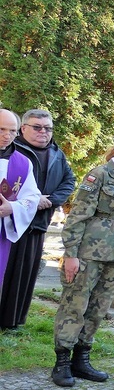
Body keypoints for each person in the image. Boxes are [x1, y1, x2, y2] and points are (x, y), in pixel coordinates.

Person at [50, 126, 114, 387]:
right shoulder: (100, 175)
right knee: (75, 304)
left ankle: (82, 358)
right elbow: (78, 216)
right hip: (89, 252)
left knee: (99, 307)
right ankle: (61, 361)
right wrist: (71, 254)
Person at [1, 109, 76, 329]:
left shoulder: (56, 154)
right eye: (37, 127)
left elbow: (68, 181)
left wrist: (49, 200)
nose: (43, 132)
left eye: (48, 128)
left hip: (36, 222)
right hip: (12, 224)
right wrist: (33, 200)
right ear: (23, 129)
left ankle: (13, 320)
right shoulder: (15, 151)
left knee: (24, 275)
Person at [0, 108, 42, 300]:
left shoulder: (23, 163)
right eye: (1, 129)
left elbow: (32, 198)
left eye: (12, 131)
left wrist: (12, 208)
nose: (7, 136)